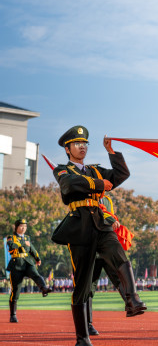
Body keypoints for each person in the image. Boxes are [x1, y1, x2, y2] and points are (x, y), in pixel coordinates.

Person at [52, 125, 146, 346]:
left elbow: (121, 175)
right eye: (77, 144)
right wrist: (98, 184)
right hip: (80, 226)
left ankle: (132, 299)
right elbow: (69, 185)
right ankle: (82, 338)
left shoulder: (94, 169)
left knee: (120, 256)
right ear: (67, 149)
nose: (82, 147)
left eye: (85, 143)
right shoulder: (63, 170)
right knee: (83, 285)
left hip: (101, 223)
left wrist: (111, 152)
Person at [6, 218, 52, 323]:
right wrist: (23, 243)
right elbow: (12, 246)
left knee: (36, 274)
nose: (23, 228)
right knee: (15, 291)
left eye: (25, 226)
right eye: (21, 226)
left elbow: (31, 248)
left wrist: (37, 258)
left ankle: (44, 288)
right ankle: (13, 315)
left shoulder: (27, 238)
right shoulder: (11, 237)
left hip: (27, 262)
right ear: (16, 227)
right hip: (16, 264)